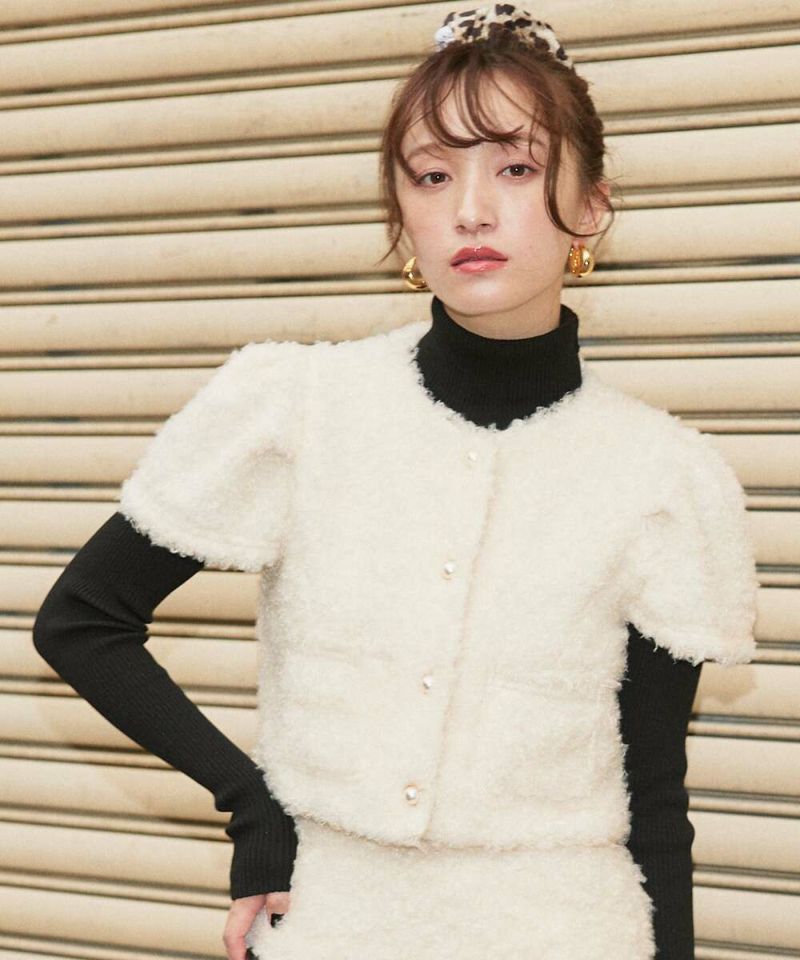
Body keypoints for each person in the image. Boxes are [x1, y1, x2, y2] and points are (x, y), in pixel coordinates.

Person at [32, 6, 758, 960]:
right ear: (400, 213)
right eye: (431, 174)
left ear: (591, 206)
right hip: (332, 924)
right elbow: (82, 621)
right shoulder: (297, 409)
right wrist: (253, 806)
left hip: (569, 929)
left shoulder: (664, 476)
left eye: (515, 168)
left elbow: (655, 795)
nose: (470, 210)